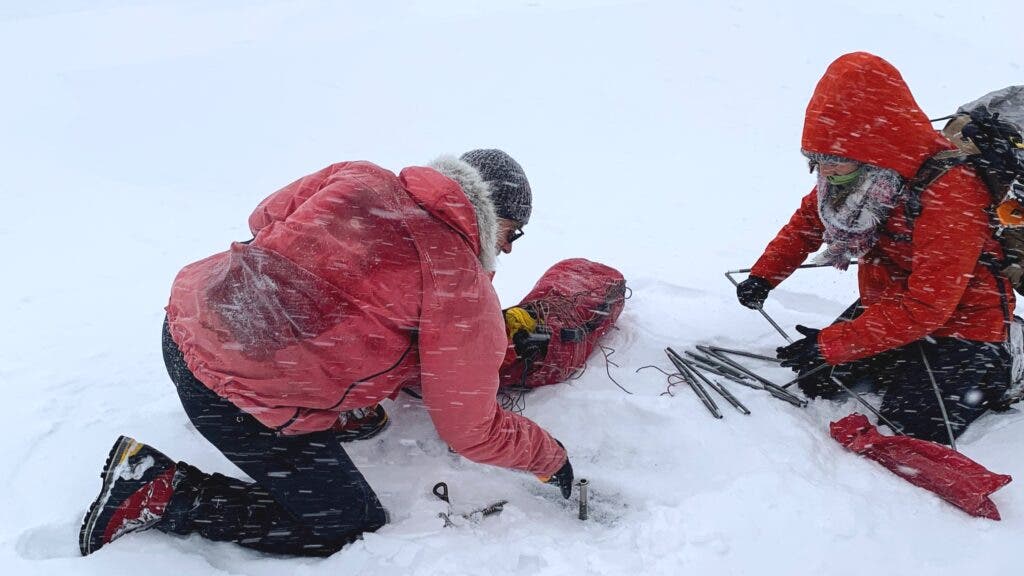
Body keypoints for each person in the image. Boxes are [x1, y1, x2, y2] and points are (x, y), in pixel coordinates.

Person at [79, 149, 573, 557]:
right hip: (233, 399)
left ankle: (328, 404)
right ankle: (158, 492)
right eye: (514, 234)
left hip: (184, 323)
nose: (508, 250)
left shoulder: (359, 177)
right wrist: (548, 456)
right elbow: (470, 428)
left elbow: (264, 218)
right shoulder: (458, 283)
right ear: (494, 215)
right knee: (344, 523)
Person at [735, 52, 1013, 444]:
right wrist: (763, 277)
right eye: (815, 159)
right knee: (816, 381)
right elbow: (805, 226)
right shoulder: (854, 177)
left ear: (877, 149)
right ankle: (904, 357)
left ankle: (1002, 365)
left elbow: (930, 306)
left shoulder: (950, 191)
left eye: (834, 160)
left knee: (912, 426)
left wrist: (834, 343)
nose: (824, 170)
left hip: (966, 322)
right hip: (890, 304)